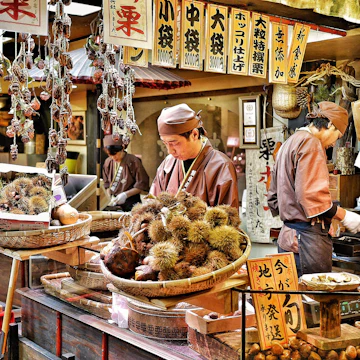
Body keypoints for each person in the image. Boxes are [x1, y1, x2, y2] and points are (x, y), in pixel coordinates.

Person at [267, 101, 360, 276]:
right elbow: (311, 196)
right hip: (307, 242)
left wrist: (321, 220)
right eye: (337, 136)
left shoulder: (289, 142)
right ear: (330, 125)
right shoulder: (311, 144)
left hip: (288, 238)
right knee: (312, 299)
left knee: (293, 298)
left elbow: (273, 196)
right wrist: (345, 216)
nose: (334, 144)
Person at [150, 103, 239, 209]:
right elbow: (152, 206)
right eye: (165, 143)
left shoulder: (221, 166)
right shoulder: (167, 164)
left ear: (194, 135)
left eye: (174, 143)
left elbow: (228, 218)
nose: (170, 151)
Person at [102, 135, 149, 212]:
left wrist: (125, 195)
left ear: (122, 148)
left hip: (131, 202)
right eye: (110, 155)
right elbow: (106, 184)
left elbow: (141, 184)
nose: (113, 158)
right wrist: (109, 197)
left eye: (115, 154)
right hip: (115, 202)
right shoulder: (108, 162)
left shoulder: (133, 161)